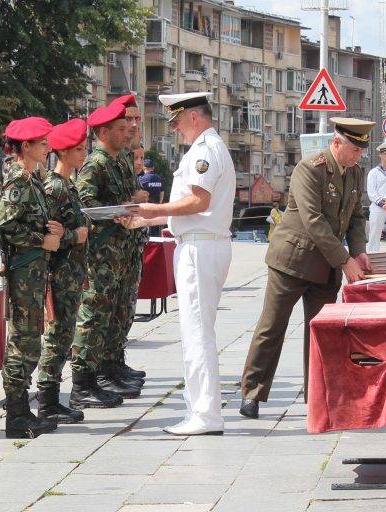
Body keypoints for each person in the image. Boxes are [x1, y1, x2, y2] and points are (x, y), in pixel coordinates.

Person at [237, 117, 373, 420]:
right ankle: (252, 393)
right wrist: (345, 260)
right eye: (354, 149)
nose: (358, 156)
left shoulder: (355, 173)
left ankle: (319, 395)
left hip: (325, 268)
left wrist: (360, 252)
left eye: (361, 151)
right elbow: (314, 221)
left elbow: (357, 217)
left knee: (322, 332)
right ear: (336, 143)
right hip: (292, 262)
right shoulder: (309, 169)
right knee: (272, 327)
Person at [120, 91, 236, 436]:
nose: (174, 129)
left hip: (202, 247)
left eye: (177, 122)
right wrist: (146, 221)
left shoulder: (205, 150)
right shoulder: (204, 149)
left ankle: (206, 414)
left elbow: (198, 202)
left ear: (194, 118)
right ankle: (199, 409)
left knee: (198, 333)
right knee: (194, 331)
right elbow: (190, 210)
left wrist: (153, 210)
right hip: (198, 244)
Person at [0, 116, 64, 438]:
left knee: (30, 341)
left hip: (34, 272)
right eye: (42, 143)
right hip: (24, 271)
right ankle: (17, 416)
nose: (48, 147)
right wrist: (41, 240)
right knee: (22, 343)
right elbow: (5, 226)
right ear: (26, 146)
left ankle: (22, 411)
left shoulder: (33, 179)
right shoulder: (19, 181)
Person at [73, 102, 139, 404]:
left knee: (116, 312)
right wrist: (125, 206)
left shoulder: (119, 160)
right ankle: (84, 382)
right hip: (101, 253)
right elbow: (85, 206)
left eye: (128, 129)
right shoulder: (95, 164)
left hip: (120, 251)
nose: (128, 134)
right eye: (121, 129)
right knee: (94, 315)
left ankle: (109, 367)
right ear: (103, 132)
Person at [34, 118, 91, 423]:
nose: (84, 154)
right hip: (60, 273)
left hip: (72, 272)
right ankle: (47, 402)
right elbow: (49, 234)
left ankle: (52, 398)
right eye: (78, 149)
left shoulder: (68, 184)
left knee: (64, 335)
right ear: (64, 152)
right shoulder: (54, 187)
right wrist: (75, 235)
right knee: (57, 336)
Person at [103, 94, 148, 391]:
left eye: (135, 120)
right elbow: (96, 205)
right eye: (126, 121)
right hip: (109, 250)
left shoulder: (125, 158)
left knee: (123, 310)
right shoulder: (107, 160)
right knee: (103, 314)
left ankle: (115, 362)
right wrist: (130, 201)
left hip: (128, 247)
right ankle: (101, 372)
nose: (132, 126)